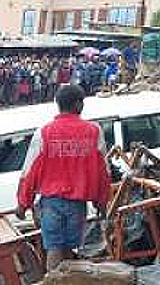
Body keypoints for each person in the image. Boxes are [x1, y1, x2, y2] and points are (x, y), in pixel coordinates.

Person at [16, 85, 110, 271]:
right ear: (77, 104)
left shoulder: (44, 132)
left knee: (53, 248)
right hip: (77, 204)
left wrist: (23, 203)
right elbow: (103, 172)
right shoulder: (94, 131)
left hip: (51, 203)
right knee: (70, 248)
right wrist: (102, 202)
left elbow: (29, 172)